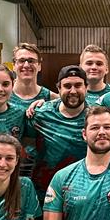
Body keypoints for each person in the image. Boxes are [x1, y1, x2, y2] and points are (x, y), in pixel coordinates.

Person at [30, 65, 90, 206]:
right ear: (58, 88)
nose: (73, 91)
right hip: (44, 194)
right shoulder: (41, 114)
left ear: (86, 87)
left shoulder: (94, 118)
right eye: (67, 86)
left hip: (82, 195)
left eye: (78, 85)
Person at [8, 43, 56, 179]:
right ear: (14, 65)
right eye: (21, 60)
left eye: (31, 61)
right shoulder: (2, 95)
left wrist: (48, 105)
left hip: (40, 169)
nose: (26, 65)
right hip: (7, 167)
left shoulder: (51, 98)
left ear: (39, 65)